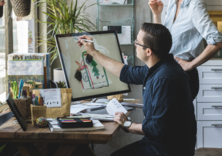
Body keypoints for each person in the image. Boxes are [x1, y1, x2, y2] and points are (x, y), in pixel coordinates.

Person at [77, 23, 196, 156]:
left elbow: (157, 128)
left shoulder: (165, 79)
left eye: (137, 42)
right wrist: (93, 52)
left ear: (148, 51)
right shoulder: (160, 66)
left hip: (168, 150)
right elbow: (127, 73)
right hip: (159, 143)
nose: (135, 45)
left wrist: (127, 124)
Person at [149, 0, 222, 100]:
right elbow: (162, 41)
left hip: (183, 77)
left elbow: (217, 41)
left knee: (175, 119)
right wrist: (157, 15)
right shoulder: (174, 1)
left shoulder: (196, 6)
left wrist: (190, 65)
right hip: (167, 72)